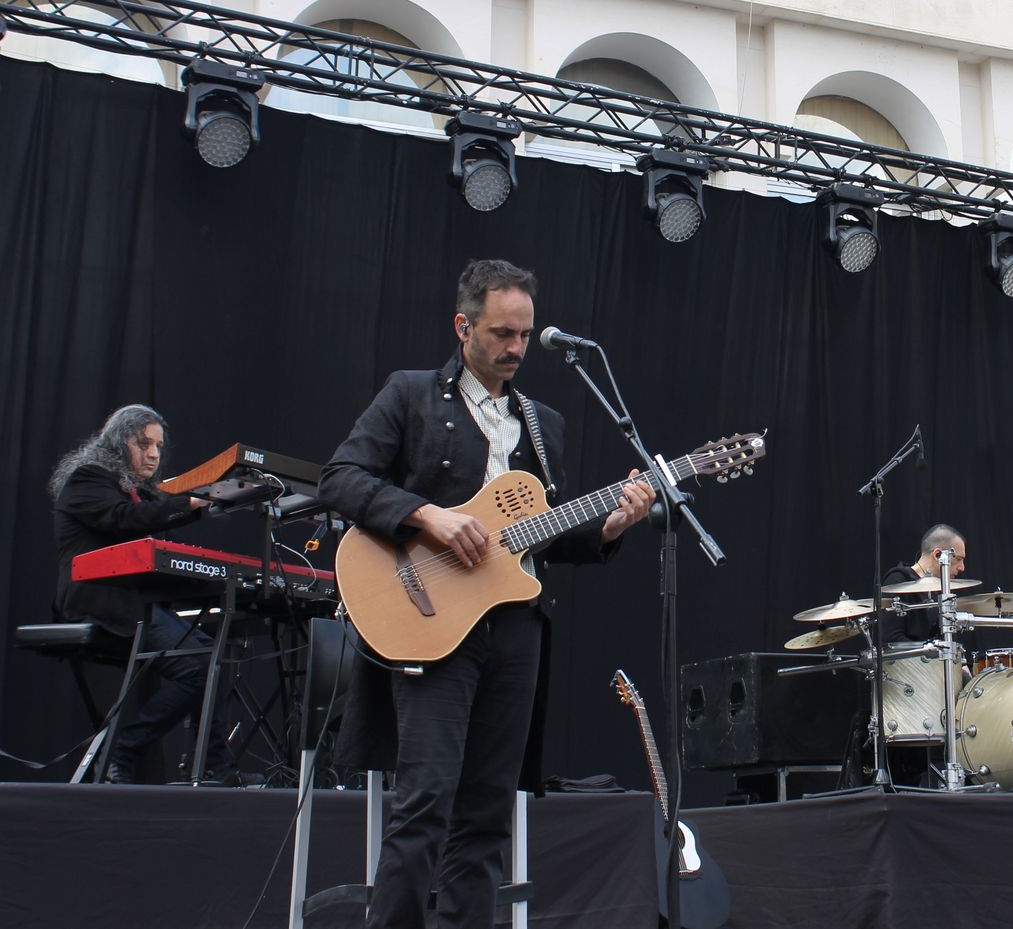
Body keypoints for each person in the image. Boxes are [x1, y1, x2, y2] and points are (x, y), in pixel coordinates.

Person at [319, 259, 654, 929]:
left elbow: (539, 538)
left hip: (514, 630)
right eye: (502, 333)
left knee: (486, 812)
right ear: (463, 325)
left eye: (525, 335)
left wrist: (611, 525)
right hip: (430, 623)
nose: (516, 349)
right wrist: (426, 514)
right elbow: (340, 477)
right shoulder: (411, 394)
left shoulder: (541, 421)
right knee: (424, 803)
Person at [50, 404, 238, 784]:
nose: (153, 454)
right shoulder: (88, 480)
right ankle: (124, 750)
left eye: (158, 446)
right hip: (102, 601)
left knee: (216, 656)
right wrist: (192, 502)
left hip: (139, 605)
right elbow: (124, 520)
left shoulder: (138, 491)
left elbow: (158, 528)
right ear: (119, 444)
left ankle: (214, 767)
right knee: (200, 665)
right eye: (143, 443)